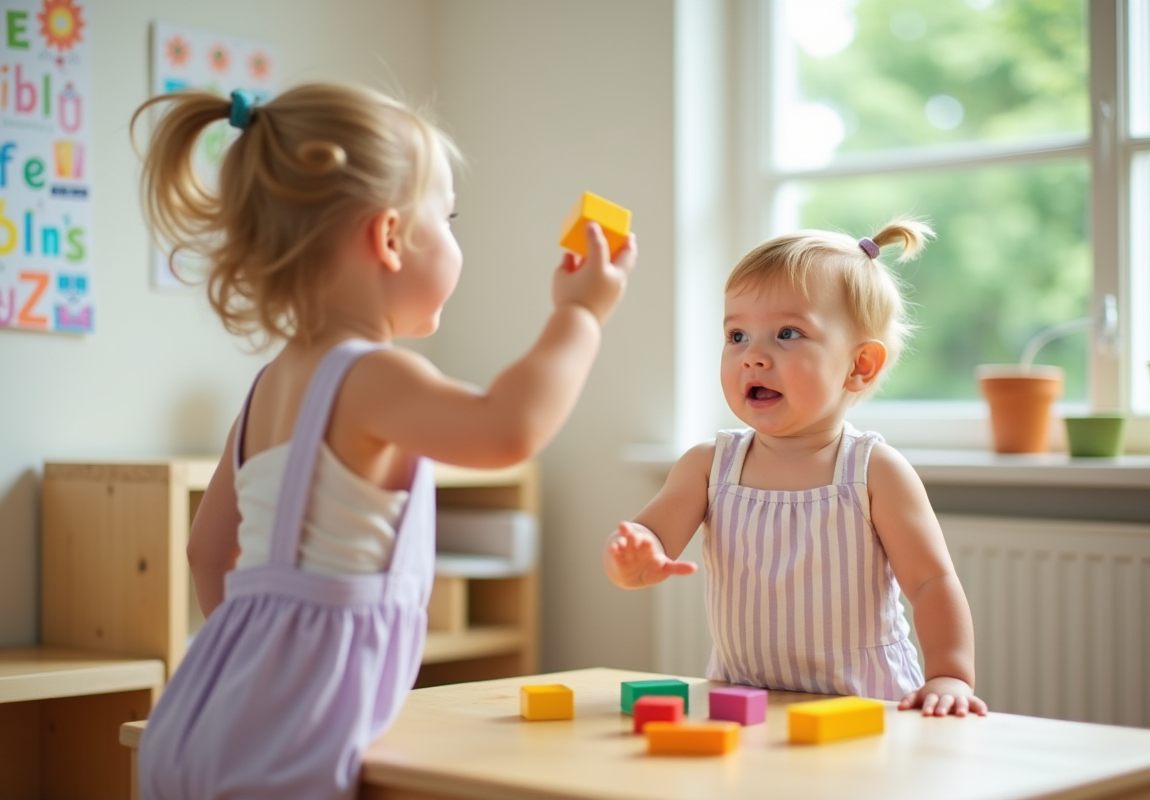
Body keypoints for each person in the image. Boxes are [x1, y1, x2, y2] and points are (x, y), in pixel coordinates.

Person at [132, 84, 636, 799]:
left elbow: (206, 552)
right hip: (280, 745)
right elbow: (508, 428)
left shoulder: (269, 385)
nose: (456, 239)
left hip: (199, 716)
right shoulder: (370, 376)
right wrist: (580, 316)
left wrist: (263, 660)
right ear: (390, 237)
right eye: (448, 218)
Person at [603, 220, 987, 718]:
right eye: (737, 335)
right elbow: (651, 535)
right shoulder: (708, 466)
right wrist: (633, 558)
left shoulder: (874, 471)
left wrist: (950, 675)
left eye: (788, 333)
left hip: (868, 704)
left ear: (860, 365)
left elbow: (931, 582)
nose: (753, 356)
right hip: (746, 705)